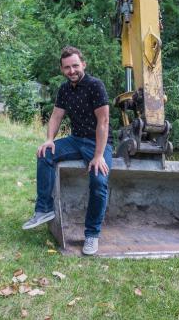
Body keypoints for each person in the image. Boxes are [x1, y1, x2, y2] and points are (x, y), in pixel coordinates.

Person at [22, 46, 113, 255]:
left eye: (75, 66)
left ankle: (91, 235)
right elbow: (56, 116)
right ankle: (44, 209)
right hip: (75, 140)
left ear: (83, 65)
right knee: (45, 154)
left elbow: (104, 122)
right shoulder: (64, 89)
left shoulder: (95, 86)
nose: (72, 71)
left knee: (99, 181)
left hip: (98, 143)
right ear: (62, 69)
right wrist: (49, 140)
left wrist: (99, 155)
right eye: (67, 67)